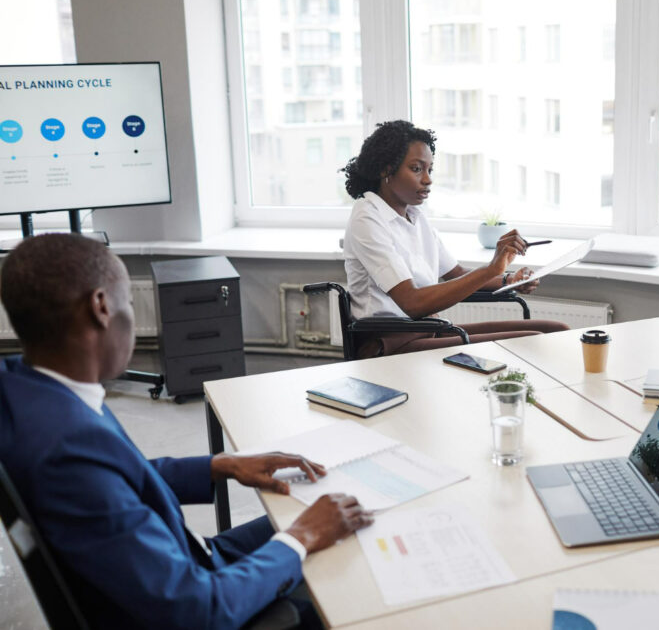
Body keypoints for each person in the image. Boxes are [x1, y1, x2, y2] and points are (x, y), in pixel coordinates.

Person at [0, 234, 372, 629]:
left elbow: (118, 479)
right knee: (351, 577)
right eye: (127, 301)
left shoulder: (31, 391)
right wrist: (301, 537)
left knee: (333, 512)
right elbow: (197, 610)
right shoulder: (67, 451)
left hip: (182, 559)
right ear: (102, 307)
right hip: (196, 597)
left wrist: (220, 464)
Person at [342, 120, 569, 358]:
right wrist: (492, 267)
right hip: (391, 344)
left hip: (427, 331)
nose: (428, 179)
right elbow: (412, 303)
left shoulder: (415, 216)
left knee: (557, 332)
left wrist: (508, 279)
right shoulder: (367, 218)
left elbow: (457, 275)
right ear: (385, 170)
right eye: (417, 169)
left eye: (430, 169)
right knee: (534, 343)